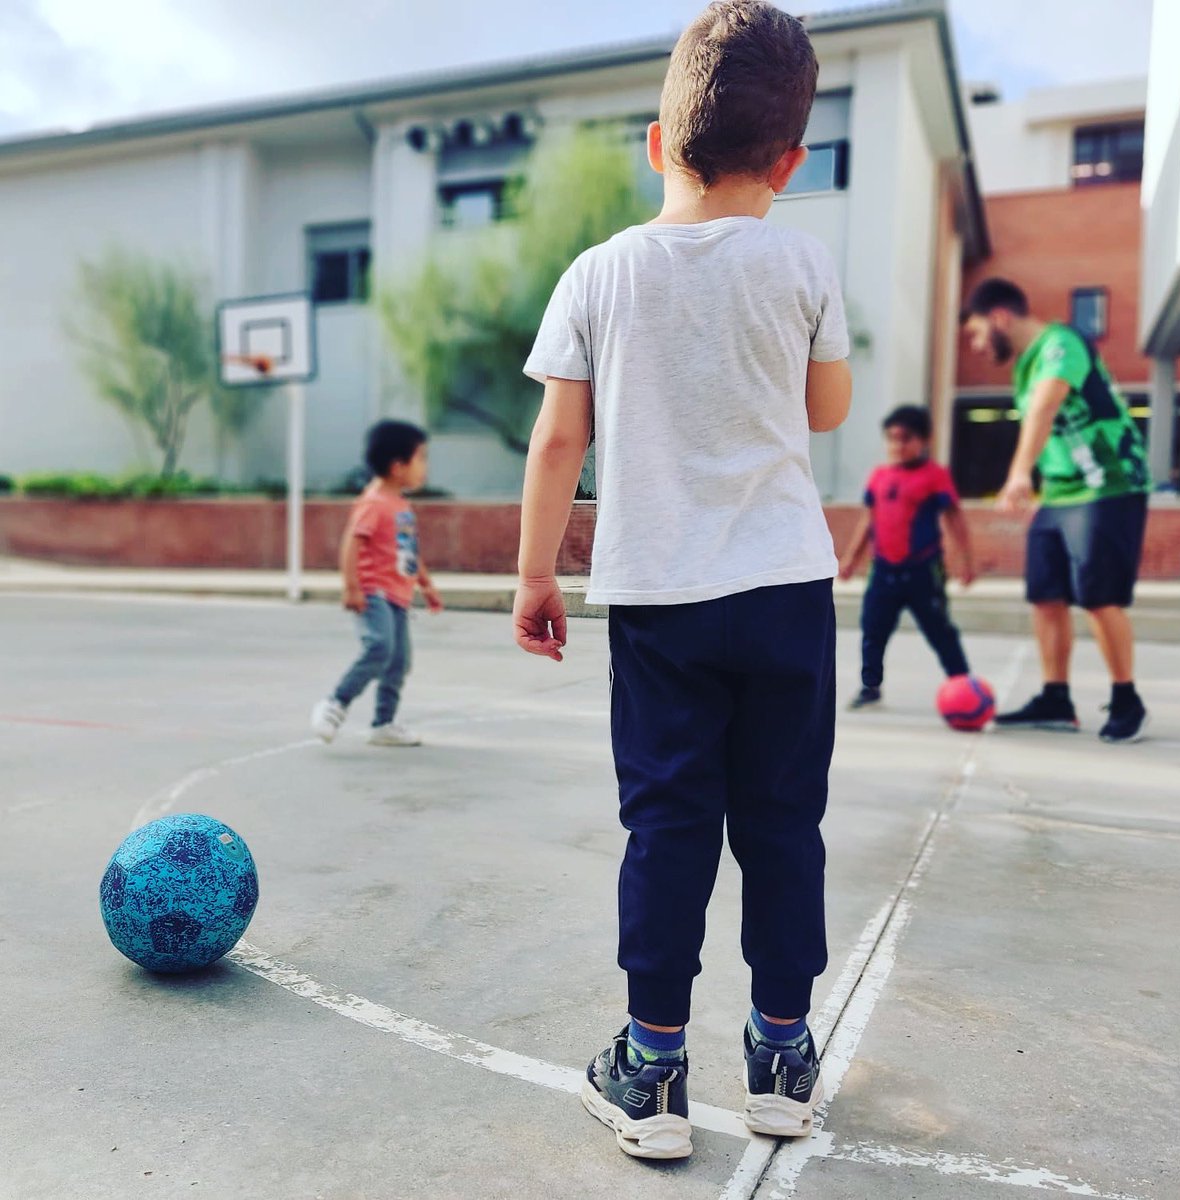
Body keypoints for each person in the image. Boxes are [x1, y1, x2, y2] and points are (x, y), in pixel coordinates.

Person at [513, 1, 851, 1161]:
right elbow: (824, 411)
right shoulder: (804, 260)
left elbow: (559, 443)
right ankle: (782, 1057)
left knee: (666, 829)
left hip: (658, 598)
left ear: (656, 144)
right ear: (791, 161)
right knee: (783, 825)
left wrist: (532, 579)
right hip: (786, 592)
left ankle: (652, 1069)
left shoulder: (599, 274)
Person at [961, 278, 1150, 743]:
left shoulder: (1061, 342)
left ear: (1000, 316)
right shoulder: (1024, 366)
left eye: (978, 333)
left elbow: (1047, 407)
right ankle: (1056, 698)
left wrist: (1019, 474)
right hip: (1062, 494)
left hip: (1109, 485)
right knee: (1045, 594)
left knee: (1098, 595)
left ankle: (1127, 699)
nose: (978, 345)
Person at [311, 420, 443, 747]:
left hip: (399, 594)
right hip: (374, 591)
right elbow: (352, 543)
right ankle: (335, 704)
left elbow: (408, 550)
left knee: (399, 661)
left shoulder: (401, 505)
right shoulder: (374, 502)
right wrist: (352, 587)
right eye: (421, 458)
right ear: (398, 466)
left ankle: (383, 724)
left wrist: (425, 586)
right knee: (379, 648)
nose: (425, 466)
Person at [839, 405, 976, 709]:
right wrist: (850, 559)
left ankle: (963, 684)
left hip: (923, 571)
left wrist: (966, 561)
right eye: (891, 438)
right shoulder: (879, 476)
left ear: (924, 440)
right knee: (873, 629)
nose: (897, 445)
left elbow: (954, 519)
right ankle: (870, 686)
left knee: (940, 630)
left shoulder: (934, 476)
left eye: (906, 438)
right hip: (884, 570)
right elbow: (868, 520)